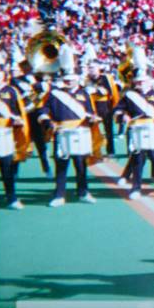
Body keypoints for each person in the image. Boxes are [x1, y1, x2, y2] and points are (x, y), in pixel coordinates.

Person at [38, 46, 99, 207]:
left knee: (81, 166)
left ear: (77, 79)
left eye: (72, 79)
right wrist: (47, 122)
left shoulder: (84, 93)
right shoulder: (54, 94)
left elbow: (90, 112)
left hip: (80, 132)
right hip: (62, 133)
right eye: (67, 79)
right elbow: (43, 111)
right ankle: (59, 195)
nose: (69, 81)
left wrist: (93, 118)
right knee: (61, 166)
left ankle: (83, 192)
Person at [113, 48, 154, 200]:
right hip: (136, 131)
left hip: (153, 129)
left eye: (143, 81)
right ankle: (136, 188)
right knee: (137, 161)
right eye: (138, 82)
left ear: (148, 81)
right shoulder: (129, 95)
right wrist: (124, 116)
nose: (140, 84)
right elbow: (117, 110)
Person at [0, 55, 31, 209]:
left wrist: (18, 120)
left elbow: (17, 111)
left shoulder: (11, 91)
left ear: (3, 76)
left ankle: (12, 198)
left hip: (4, 133)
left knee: (7, 168)